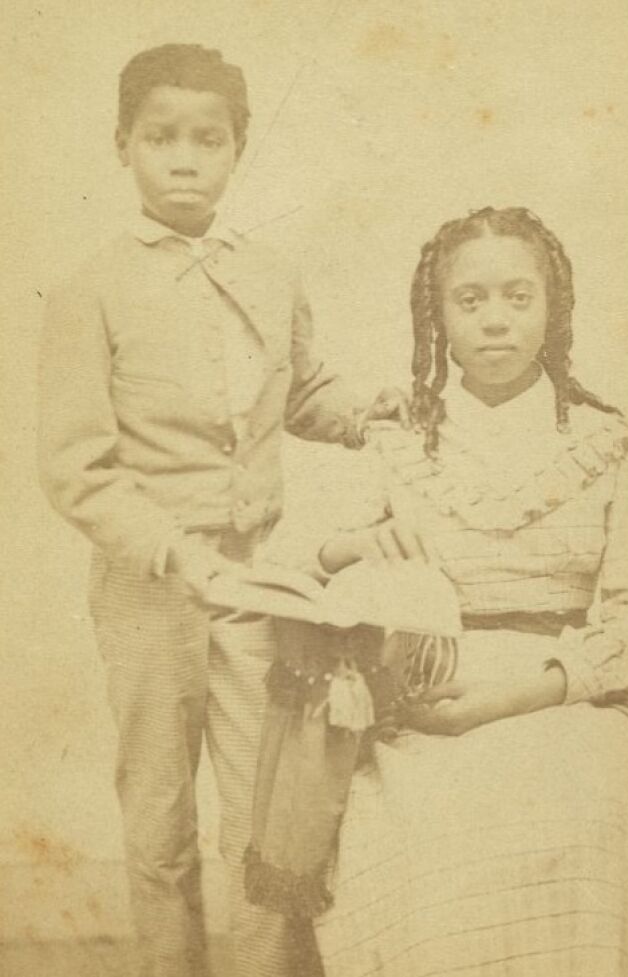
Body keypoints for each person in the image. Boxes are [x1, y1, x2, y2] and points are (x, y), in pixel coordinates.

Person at [249, 207, 628, 976]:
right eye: (471, 299)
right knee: (424, 825)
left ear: (552, 308)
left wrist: (515, 695)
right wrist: (353, 547)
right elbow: (293, 569)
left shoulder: (607, 441)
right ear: (438, 316)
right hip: (426, 694)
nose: (496, 319)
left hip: (570, 693)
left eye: (518, 297)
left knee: (594, 811)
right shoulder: (395, 439)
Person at [37, 43, 409, 977]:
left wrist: (367, 414)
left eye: (209, 140)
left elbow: (301, 388)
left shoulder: (269, 271)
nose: (185, 159)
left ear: (239, 148)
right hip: (147, 590)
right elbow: (77, 468)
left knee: (263, 807)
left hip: (255, 582)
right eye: (160, 137)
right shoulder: (90, 290)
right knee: (160, 813)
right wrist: (176, 553)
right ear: (122, 145)